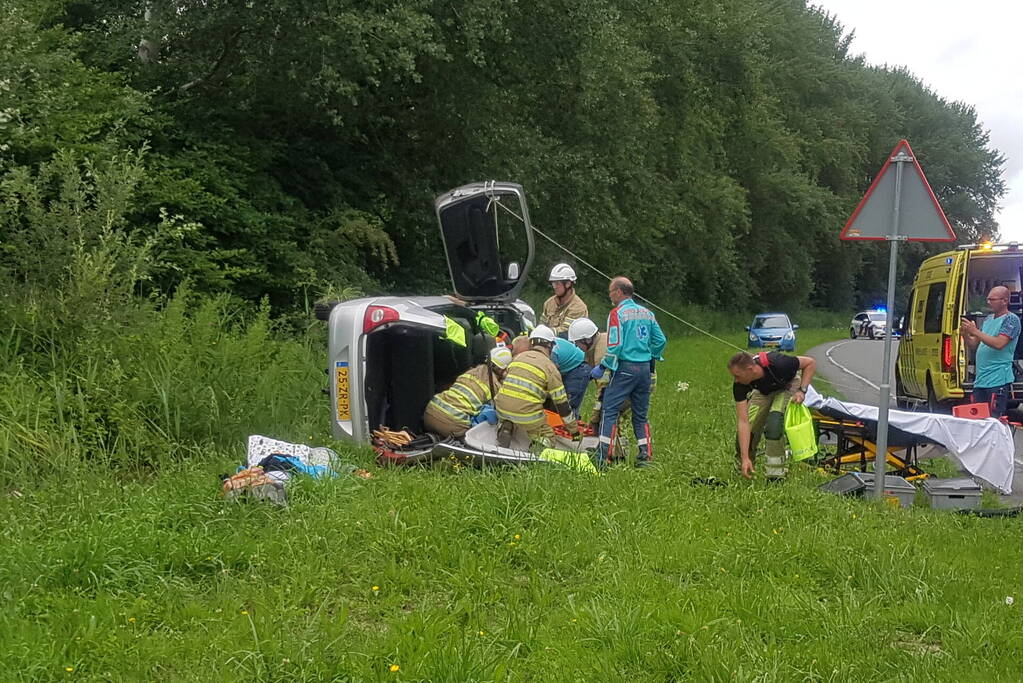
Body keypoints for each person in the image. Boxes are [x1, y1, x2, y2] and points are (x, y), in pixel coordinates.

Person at [591, 277, 666, 467]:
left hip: (625, 368)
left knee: (609, 410)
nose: (609, 296)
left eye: (610, 292)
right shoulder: (648, 313)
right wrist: (652, 356)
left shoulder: (617, 314)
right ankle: (645, 457)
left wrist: (603, 366)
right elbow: (661, 341)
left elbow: (615, 345)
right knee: (640, 416)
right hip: (644, 370)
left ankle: (603, 458)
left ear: (618, 291)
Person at [729, 351, 816, 480]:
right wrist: (745, 457)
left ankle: (775, 475)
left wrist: (802, 391)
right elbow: (743, 421)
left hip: (788, 386)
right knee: (751, 426)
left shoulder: (780, 363)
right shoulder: (740, 385)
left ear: (750, 369)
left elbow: (810, 363)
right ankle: (745, 467)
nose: (735, 380)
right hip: (762, 391)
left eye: (737, 376)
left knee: (774, 424)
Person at [495, 325, 580, 447]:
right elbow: (562, 405)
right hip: (527, 416)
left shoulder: (518, 358)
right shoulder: (550, 368)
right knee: (548, 436)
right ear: (550, 346)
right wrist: (574, 431)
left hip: (501, 409)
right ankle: (539, 445)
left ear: (531, 343)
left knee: (512, 413)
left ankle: (506, 427)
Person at [423, 346, 514, 438]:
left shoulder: (470, 372)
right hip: (454, 423)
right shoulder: (495, 386)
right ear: (503, 369)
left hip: (430, 412)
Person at [960, 285, 1021, 417]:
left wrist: (975, 331)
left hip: (997, 379)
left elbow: (999, 343)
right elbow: (975, 345)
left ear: (1004, 301)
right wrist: (966, 334)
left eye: (992, 299)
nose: (988, 302)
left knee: (993, 420)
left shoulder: (1011, 320)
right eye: (987, 299)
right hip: (981, 379)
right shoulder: (988, 319)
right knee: (978, 419)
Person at [552, 318, 596, 418]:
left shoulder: (550, 353)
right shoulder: (544, 345)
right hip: (571, 367)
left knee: (568, 405)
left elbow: (553, 378)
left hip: (579, 369)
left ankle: (572, 428)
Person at [541, 263, 588, 337]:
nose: (554, 287)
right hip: (547, 343)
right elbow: (542, 324)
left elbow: (566, 332)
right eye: (553, 283)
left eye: (557, 283)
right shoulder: (549, 303)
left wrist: (545, 332)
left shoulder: (578, 307)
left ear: (568, 284)